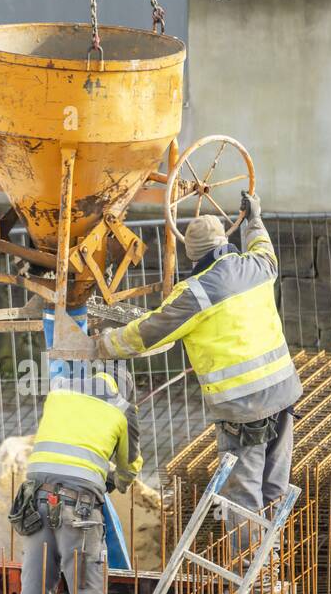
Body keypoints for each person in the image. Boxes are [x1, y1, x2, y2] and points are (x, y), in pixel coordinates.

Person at [94, 196, 301, 521]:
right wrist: (253, 219)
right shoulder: (257, 266)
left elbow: (148, 332)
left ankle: (248, 566)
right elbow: (263, 246)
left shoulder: (195, 293)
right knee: (273, 487)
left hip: (243, 409)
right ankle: (270, 563)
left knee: (242, 498)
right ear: (223, 242)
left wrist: (105, 344)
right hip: (284, 395)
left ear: (192, 255)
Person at [12, 368, 142, 594]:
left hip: (35, 500)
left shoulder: (59, 392)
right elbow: (129, 467)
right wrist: (113, 481)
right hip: (80, 510)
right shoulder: (123, 409)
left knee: (34, 592)